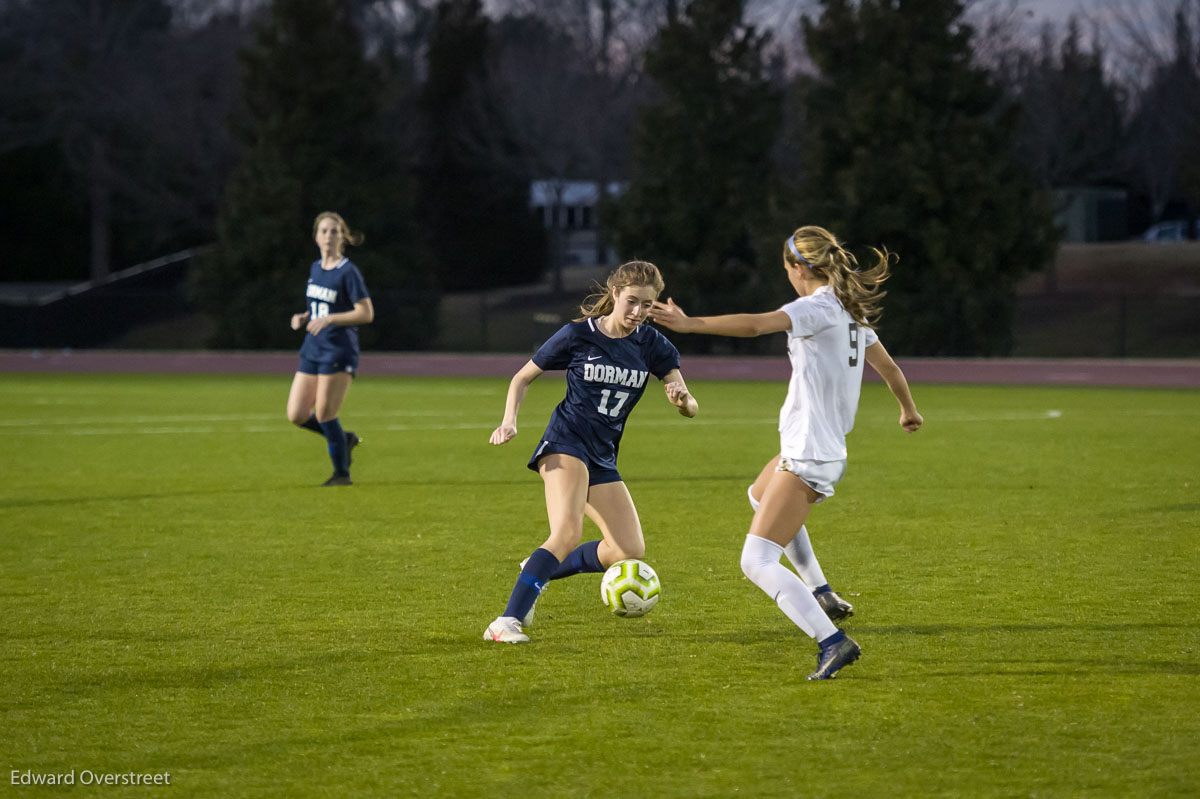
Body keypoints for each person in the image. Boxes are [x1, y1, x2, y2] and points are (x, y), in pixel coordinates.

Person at [649, 225, 922, 680]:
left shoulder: (814, 307)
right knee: (760, 493)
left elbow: (757, 324)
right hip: (819, 448)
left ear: (799, 268)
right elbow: (889, 367)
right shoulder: (849, 310)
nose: (788, 279)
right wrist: (908, 410)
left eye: (787, 270)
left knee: (755, 561)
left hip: (811, 453)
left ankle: (832, 642)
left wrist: (690, 324)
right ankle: (821, 591)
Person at [484, 261, 699, 643]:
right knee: (566, 533)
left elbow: (690, 404)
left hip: (602, 455)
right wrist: (509, 421)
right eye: (632, 301)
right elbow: (522, 377)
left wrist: (682, 400)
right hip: (565, 443)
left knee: (628, 549)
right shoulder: (577, 335)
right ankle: (505, 623)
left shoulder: (652, 344)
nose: (638, 313)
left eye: (647, 306)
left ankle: (538, 568)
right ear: (615, 293)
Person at [285, 211, 375, 486]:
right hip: (312, 348)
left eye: (334, 231)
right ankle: (343, 438)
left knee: (325, 414)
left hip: (339, 351)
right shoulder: (315, 268)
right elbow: (319, 307)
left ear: (342, 237)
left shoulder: (348, 272)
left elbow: (366, 313)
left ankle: (342, 474)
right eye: (323, 231)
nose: (328, 236)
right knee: (297, 414)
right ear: (316, 237)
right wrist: (305, 317)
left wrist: (329, 319)